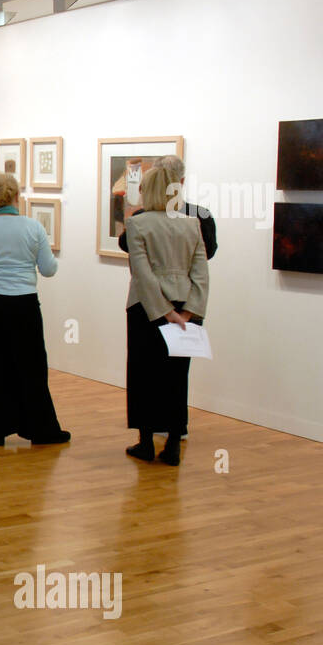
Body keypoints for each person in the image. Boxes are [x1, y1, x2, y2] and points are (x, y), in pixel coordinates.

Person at [0, 172, 70, 446]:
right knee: (31, 367)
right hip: (23, 304)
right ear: (15, 196)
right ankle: (39, 428)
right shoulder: (33, 228)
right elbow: (48, 269)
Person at [123, 165, 209, 467]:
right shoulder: (190, 224)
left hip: (146, 310)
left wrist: (164, 312)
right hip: (184, 307)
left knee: (143, 375)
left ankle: (146, 442)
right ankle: (173, 443)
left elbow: (143, 275)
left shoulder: (138, 224)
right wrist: (188, 311)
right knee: (176, 378)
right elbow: (201, 272)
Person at [117, 155, 218, 260]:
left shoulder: (140, 216)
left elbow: (125, 245)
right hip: (187, 275)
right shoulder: (201, 215)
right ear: (182, 181)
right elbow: (209, 252)